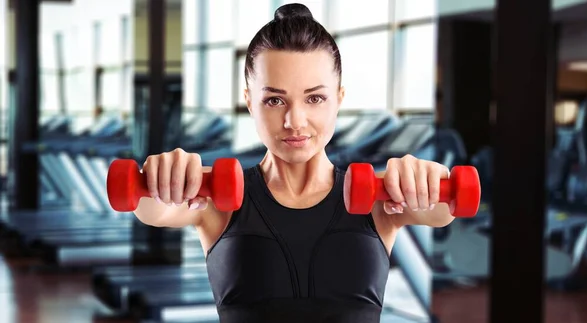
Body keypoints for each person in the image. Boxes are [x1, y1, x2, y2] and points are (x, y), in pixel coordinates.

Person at [133, 3, 454, 323]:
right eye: (274, 100)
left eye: (315, 98)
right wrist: (162, 175)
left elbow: (441, 211)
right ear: (249, 101)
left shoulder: (379, 199)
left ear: (339, 98)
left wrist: (429, 176)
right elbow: (151, 209)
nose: (294, 121)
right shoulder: (215, 198)